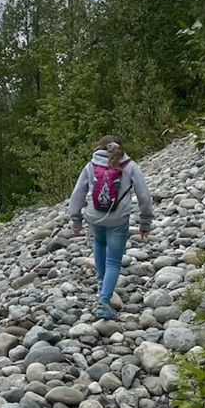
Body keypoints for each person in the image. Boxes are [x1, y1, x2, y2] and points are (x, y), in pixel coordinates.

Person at [67, 134, 154, 320]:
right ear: (120, 147)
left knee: (99, 243)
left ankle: (102, 285)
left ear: (99, 147)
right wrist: (145, 222)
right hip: (118, 219)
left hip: (93, 217)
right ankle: (104, 302)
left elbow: (77, 194)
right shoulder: (129, 165)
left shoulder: (91, 166)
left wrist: (76, 220)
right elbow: (144, 197)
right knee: (114, 261)